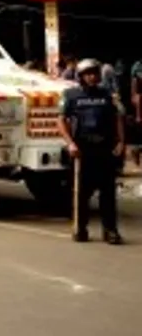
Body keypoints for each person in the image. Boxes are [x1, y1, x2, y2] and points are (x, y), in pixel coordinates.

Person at [58, 58, 126, 244]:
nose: (92, 77)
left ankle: (110, 230)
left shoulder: (107, 95)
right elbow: (61, 120)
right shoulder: (70, 95)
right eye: (88, 74)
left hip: (104, 149)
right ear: (81, 76)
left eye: (94, 73)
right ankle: (80, 228)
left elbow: (117, 118)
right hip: (82, 150)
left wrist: (121, 141)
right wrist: (70, 143)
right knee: (81, 193)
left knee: (108, 193)